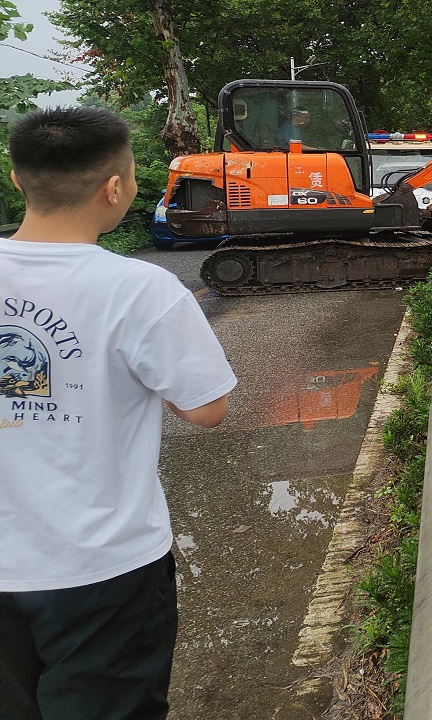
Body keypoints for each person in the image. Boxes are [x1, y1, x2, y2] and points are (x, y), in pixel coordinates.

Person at [0, 106, 236, 720]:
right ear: (115, 188)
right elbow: (208, 408)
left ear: (17, 179)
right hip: (104, 570)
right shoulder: (142, 290)